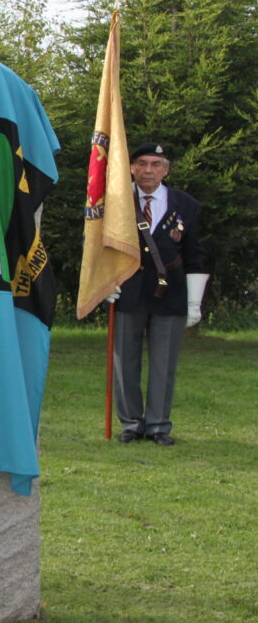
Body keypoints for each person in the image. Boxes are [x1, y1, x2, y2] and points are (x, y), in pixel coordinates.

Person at [110, 142, 208, 446]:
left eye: (155, 164)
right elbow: (99, 246)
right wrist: (103, 282)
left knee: (164, 363)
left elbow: (195, 254)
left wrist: (194, 302)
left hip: (171, 292)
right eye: (141, 163)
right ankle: (130, 423)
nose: (148, 170)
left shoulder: (186, 204)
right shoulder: (115, 201)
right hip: (127, 290)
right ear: (131, 167)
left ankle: (158, 426)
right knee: (124, 361)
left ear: (165, 169)